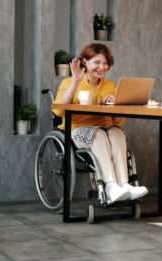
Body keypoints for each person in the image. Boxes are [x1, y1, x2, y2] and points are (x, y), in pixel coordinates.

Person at [52, 43, 148, 203]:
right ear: (85, 62)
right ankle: (110, 186)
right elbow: (59, 111)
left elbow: (117, 121)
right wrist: (76, 82)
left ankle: (124, 185)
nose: (102, 67)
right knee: (99, 133)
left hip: (104, 131)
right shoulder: (69, 82)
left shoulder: (110, 86)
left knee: (116, 132)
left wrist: (116, 104)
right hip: (75, 132)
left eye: (105, 63)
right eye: (97, 62)